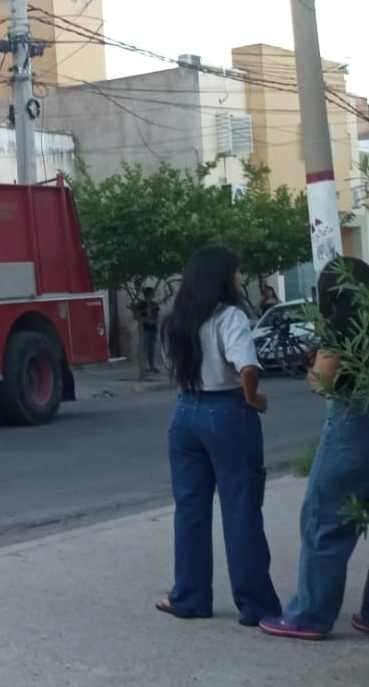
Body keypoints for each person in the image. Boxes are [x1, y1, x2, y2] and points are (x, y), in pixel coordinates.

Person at [156, 245, 282, 627]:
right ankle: (256, 605)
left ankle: (189, 596)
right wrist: (253, 397)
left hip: (185, 413)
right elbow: (246, 367)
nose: (240, 278)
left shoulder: (173, 320)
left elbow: (172, 369)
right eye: (237, 272)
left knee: (191, 509)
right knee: (240, 507)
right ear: (222, 278)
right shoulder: (231, 317)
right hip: (227, 411)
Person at [259, 257, 369, 640]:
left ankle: (311, 614)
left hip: (353, 423)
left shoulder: (344, 322)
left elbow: (323, 383)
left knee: (325, 518)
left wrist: (313, 365)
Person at [134, 288, 163, 375]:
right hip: (145, 329)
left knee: (151, 349)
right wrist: (145, 320)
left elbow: (157, 315)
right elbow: (136, 316)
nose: (153, 295)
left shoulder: (154, 304)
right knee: (144, 349)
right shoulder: (141, 304)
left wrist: (155, 321)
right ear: (147, 294)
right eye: (152, 293)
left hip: (153, 329)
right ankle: (144, 367)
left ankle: (151, 366)